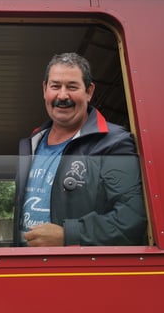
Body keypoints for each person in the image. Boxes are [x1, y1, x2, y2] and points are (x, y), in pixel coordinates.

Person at [14, 52, 147, 247]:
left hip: (74, 264)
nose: (62, 96)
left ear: (89, 91)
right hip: (26, 262)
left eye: (72, 87)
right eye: (55, 86)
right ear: (45, 89)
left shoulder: (113, 143)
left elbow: (132, 219)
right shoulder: (32, 142)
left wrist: (69, 235)